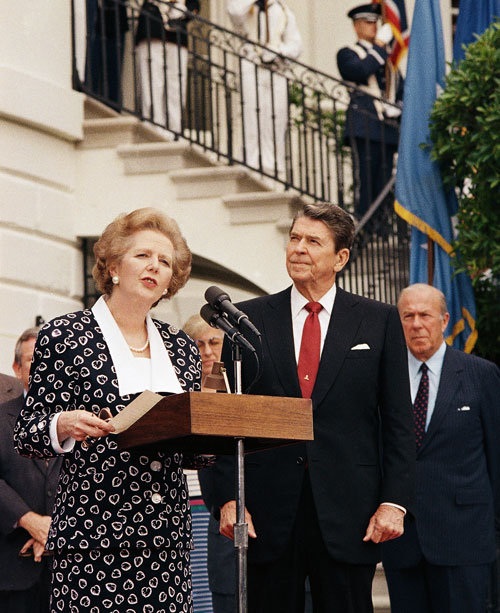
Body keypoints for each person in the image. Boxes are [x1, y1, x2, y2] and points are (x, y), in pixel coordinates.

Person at [212, 202, 415, 613]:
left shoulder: (378, 320)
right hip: (266, 516)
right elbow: (225, 420)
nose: (298, 248)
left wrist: (394, 501)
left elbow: (397, 421)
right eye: (294, 238)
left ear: (340, 258)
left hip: (350, 514)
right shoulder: (247, 320)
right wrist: (228, 498)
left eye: (312, 241)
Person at [14, 207, 212, 613]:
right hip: (94, 533)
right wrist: (63, 424)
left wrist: (216, 429)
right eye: (143, 255)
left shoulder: (181, 346)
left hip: (166, 538)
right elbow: (27, 434)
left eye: (165, 262)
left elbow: (194, 451)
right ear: (114, 265)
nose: (155, 267)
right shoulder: (65, 336)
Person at [382, 283, 500, 613]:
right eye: (407, 316)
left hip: (464, 538)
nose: (416, 323)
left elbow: (496, 456)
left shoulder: (481, 375)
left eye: (425, 315)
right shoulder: (382, 377)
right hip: (401, 541)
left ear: (445, 320)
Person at [0, 327, 61, 613]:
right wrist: (30, 522)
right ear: (16, 368)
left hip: (70, 572)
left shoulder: (82, 421)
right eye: (33, 359)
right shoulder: (1, 418)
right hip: (14, 568)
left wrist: (56, 531)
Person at [226, 0, 303, 176]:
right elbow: (233, 10)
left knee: (276, 119)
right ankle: (252, 163)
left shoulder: (282, 10)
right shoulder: (245, 6)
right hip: (251, 67)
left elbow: (296, 45)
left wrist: (278, 50)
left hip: (275, 70)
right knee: (252, 115)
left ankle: (274, 167)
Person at [182, 316, 235, 613]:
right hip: (184, 505)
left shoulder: (230, 389)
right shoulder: (177, 386)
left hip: (216, 506)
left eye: (214, 342)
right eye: (198, 344)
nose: (206, 351)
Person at [337, 3, 403, 219]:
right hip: (364, 126)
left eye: (375, 22)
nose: (374, 26)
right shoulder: (347, 53)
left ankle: (382, 228)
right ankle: (366, 228)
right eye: (368, 22)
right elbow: (360, 70)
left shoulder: (385, 59)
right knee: (366, 182)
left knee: (384, 183)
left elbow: (399, 87)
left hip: (387, 128)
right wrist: (381, 46)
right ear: (357, 26)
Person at [134, 0, 200, 135]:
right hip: (153, 27)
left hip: (177, 33)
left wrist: (184, 11)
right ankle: (154, 126)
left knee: (176, 84)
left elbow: (194, 2)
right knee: (153, 81)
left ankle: (174, 128)